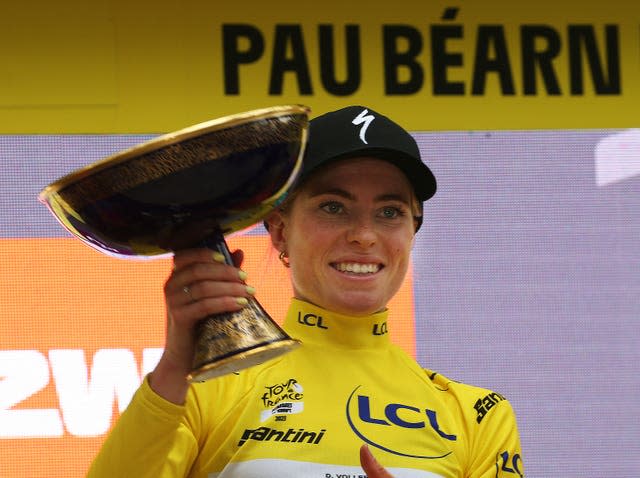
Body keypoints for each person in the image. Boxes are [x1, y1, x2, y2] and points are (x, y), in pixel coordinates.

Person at [87, 106, 525, 477]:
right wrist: (175, 368)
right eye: (333, 207)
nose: (364, 236)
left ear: (413, 231)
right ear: (279, 231)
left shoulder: (478, 416)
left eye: (389, 212)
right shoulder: (203, 394)